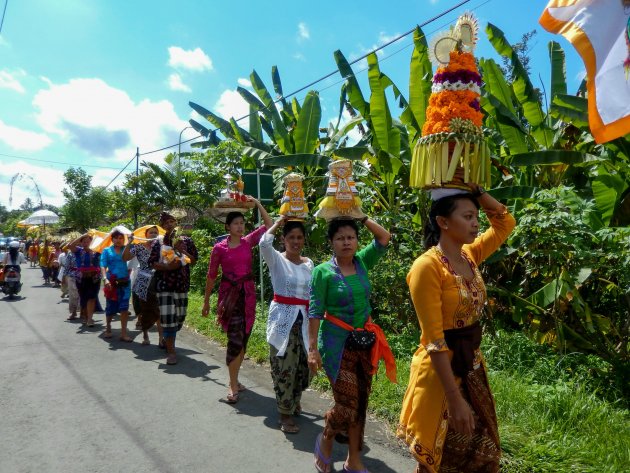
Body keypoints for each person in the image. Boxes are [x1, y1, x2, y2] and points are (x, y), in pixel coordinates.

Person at [397, 186, 516, 473]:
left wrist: (479, 192)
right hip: (442, 377)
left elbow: (505, 223)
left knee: (483, 455)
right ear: (443, 221)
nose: (476, 223)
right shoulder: (427, 267)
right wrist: (455, 399)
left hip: (472, 368)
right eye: (467, 216)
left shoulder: (470, 255)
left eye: (476, 216)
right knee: (441, 460)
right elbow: (435, 340)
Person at [308, 216, 391, 473]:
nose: (347, 242)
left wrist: (362, 217)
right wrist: (312, 349)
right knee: (346, 404)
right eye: (340, 238)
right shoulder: (322, 271)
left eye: (351, 237)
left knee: (361, 402)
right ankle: (326, 439)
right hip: (336, 345)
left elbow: (384, 238)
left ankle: (353, 461)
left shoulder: (363, 262)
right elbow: (315, 310)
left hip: (365, 342)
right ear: (331, 243)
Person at [201, 197, 272, 403]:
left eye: (242, 223)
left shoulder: (248, 242)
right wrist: (206, 301)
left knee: (245, 339)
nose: (240, 227)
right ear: (228, 227)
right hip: (229, 297)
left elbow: (269, 225)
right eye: (236, 223)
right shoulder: (219, 249)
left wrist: (258, 204)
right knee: (234, 340)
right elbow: (211, 275)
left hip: (247, 296)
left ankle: (236, 379)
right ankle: (232, 385)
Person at [259, 216, 313, 433]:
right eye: (291, 237)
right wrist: (280, 221)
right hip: (283, 320)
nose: (296, 241)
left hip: (305, 322)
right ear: (284, 239)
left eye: (300, 237)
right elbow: (263, 242)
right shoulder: (276, 260)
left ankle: (294, 398)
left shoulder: (309, 263)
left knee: (304, 367)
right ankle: (284, 413)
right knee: (285, 367)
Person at [148, 212, 198, 365]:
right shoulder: (158, 243)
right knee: (168, 319)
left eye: (172, 221)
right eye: (166, 223)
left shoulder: (186, 240)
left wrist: (182, 251)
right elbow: (152, 262)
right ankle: (171, 351)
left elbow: (194, 260)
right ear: (162, 226)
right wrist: (167, 267)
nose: (169, 224)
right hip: (165, 286)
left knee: (179, 318)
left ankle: (167, 338)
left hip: (182, 285)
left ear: (176, 223)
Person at [123, 226, 163, 346]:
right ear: (146, 235)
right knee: (144, 309)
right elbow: (125, 258)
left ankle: (161, 339)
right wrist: (129, 242)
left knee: (158, 309)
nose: (153, 234)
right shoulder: (139, 247)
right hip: (142, 280)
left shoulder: (162, 247)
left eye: (156, 232)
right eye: (151, 232)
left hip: (158, 280)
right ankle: (145, 335)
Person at [100, 230, 133, 341]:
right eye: (116, 238)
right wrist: (105, 279)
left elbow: (128, 258)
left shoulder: (126, 249)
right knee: (111, 307)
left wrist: (129, 242)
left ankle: (123, 333)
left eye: (121, 238)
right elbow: (103, 265)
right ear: (112, 239)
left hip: (125, 282)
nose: (118, 240)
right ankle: (108, 326)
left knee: (124, 308)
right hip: (111, 283)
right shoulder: (106, 251)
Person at [67, 233, 100, 327]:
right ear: (81, 243)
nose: (86, 243)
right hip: (81, 278)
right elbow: (70, 246)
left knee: (92, 297)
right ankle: (85, 316)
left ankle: (90, 318)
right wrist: (82, 236)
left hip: (94, 278)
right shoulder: (78, 251)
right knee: (84, 298)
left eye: (88, 241)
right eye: (84, 241)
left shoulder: (96, 250)